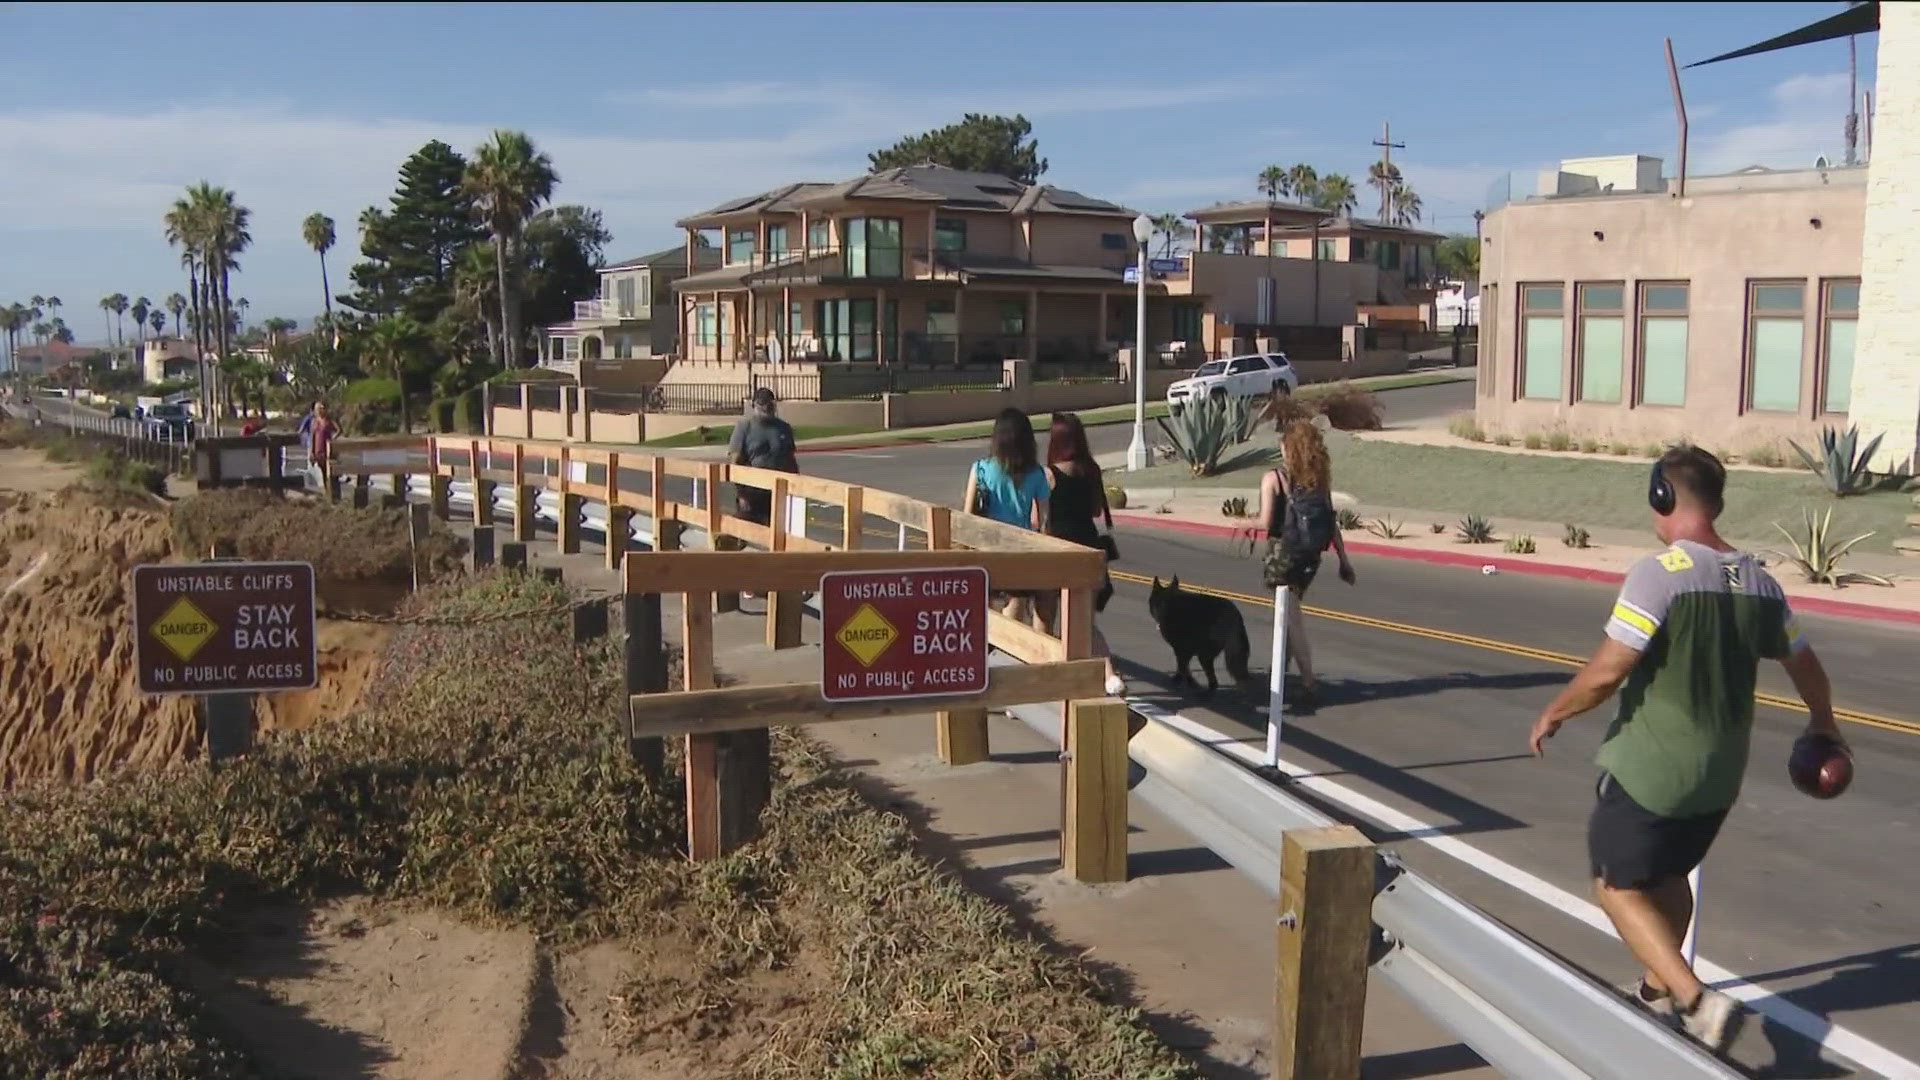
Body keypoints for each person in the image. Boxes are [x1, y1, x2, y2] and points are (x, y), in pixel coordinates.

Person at [1528, 445, 1845, 1053]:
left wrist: (1554, 711)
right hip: (1721, 775)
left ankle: (1697, 1002)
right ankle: (1655, 991)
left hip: (1655, 769)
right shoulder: (1762, 584)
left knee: (1616, 883)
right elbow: (1806, 666)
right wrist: (1825, 726)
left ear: (1661, 497)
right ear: (1717, 503)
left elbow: (1610, 668)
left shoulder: (1661, 572)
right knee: (1669, 876)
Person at [1255, 420, 1355, 711]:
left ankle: (1309, 682)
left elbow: (1264, 522)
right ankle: (1280, 676)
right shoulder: (1318, 482)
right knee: (1286, 617)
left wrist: (1239, 523)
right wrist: (1344, 561)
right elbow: (1332, 524)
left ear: (1290, 448)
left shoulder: (1274, 478)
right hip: (1310, 557)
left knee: (1291, 619)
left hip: (1282, 557)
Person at [1043, 412, 1123, 696]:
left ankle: (1050, 682)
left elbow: (1038, 519)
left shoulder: (1049, 474)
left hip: (1059, 552)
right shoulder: (1092, 469)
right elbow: (1095, 511)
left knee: (1049, 619)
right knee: (1086, 623)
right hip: (1089, 549)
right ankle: (1110, 675)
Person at [963, 408, 1051, 620]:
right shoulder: (1036, 473)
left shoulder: (981, 469)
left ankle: (990, 642)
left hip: (987, 545)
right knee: (1017, 599)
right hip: (1020, 547)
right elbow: (1045, 520)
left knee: (985, 600)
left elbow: (967, 515)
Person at [728, 387, 798, 526]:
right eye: (762, 403)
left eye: (770, 403)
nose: (766, 407)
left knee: (777, 534)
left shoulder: (784, 428)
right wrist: (742, 494)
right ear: (754, 405)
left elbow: (791, 460)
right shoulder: (744, 427)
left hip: (777, 491)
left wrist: (796, 487)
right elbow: (735, 462)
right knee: (746, 532)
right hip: (751, 492)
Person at [306, 402, 339, 494]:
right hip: (317, 449)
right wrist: (311, 452)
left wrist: (332, 439)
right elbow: (312, 436)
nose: (320, 410)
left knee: (329, 471)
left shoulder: (329, 420)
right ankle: (326, 491)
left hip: (327, 449)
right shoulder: (314, 421)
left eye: (322, 408)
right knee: (322, 470)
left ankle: (331, 491)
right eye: (318, 408)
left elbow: (338, 430)